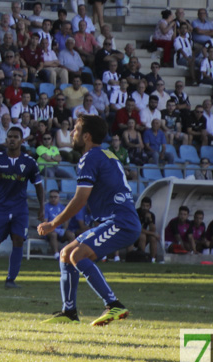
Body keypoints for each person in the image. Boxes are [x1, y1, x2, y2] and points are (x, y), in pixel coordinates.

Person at [38, 115, 140, 326]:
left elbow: (81, 198)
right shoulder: (106, 154)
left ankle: (114, 305)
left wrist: (53, 223)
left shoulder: (89, 157)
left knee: (78, 255)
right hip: (115, 220)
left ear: (86, 136)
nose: (73, 134)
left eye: (75, 130)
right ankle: (70, 312)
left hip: (120, 221)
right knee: (66, 254)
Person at [0, 127, 46, 288]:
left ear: (21, 140)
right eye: (10, 137)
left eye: (15, 137)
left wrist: (41, 208)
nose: (12, 139)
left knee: (18, 240)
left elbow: (39, 186)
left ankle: (10, 280)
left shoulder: (29, 162)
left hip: (20, 208)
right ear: (6, 140)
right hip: (1, 208)